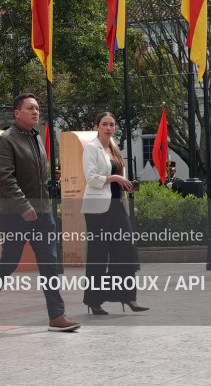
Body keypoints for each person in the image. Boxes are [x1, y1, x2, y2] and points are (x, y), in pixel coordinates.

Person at [0, 93, 80, 332]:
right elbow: (6, 179)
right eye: (30, 108)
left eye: (37, 108)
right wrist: (24, 206)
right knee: (9, 262)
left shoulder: (36, 137)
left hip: (43, 213)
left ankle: (57, 315)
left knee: (49, 263)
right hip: (14, 215)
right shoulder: (6, 141)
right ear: (17, 113)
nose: (36, 112)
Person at [82, 111, 148, 315]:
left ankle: (128, 297)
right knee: (98, 254)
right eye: (104, 124)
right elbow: (91, 178)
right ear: (96, 126)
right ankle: (94, 300)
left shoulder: (115, 148)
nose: (109, 128)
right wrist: (115, 178)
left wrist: (126, 185)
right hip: (97, 208)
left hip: (117, 204)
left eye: (111, 124)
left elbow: (120, 178)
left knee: (126, 251)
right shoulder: (91, 148)